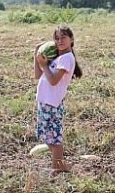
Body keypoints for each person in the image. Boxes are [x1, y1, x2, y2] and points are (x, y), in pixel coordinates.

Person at [33, 24, 82, 175]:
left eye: (64, 37)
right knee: (48, 136)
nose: (60, 41)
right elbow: (37, 75)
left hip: (52, 103)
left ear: (71, 39)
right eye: (57, 38)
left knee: (54, 138)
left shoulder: (67, 58)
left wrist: (44, 65)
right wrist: (37, 56)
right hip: (45, 102)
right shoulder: (58, 57)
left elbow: (54, 81)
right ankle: (60, 164)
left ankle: (57, 167)